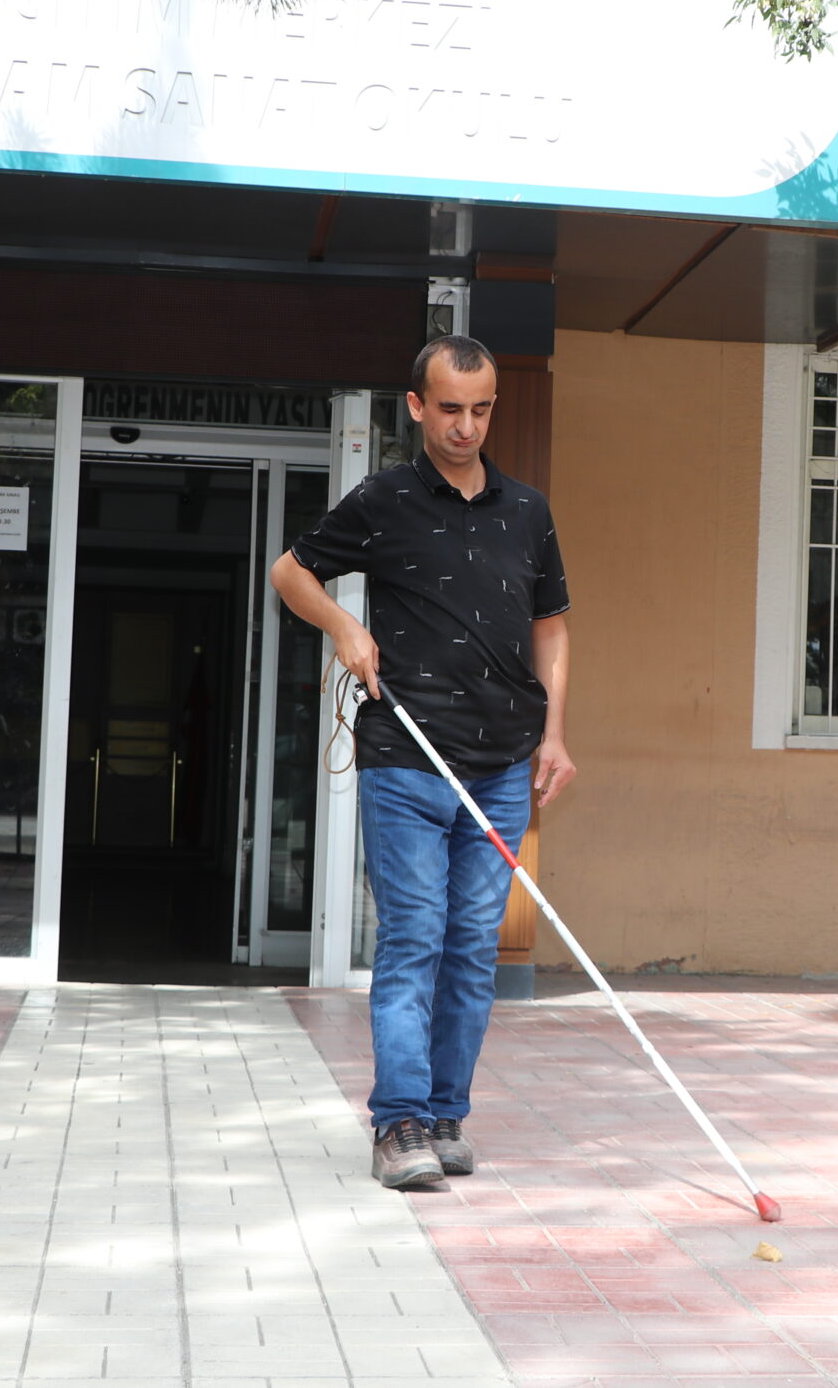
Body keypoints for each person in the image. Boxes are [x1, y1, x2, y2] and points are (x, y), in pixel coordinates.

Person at [269, 335, 576, 1190]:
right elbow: (290, 573)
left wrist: (554, 734)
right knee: (414, 936)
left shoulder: (529, 512)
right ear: (416, 406)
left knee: (473, 945)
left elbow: (551, 627)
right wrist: (344, 625)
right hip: (406, 755)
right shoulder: (384, 499)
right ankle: (398, 1121)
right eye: (448, 409)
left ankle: (445, 1115)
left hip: (501, 764)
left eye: (480, 410)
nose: (465, 427)